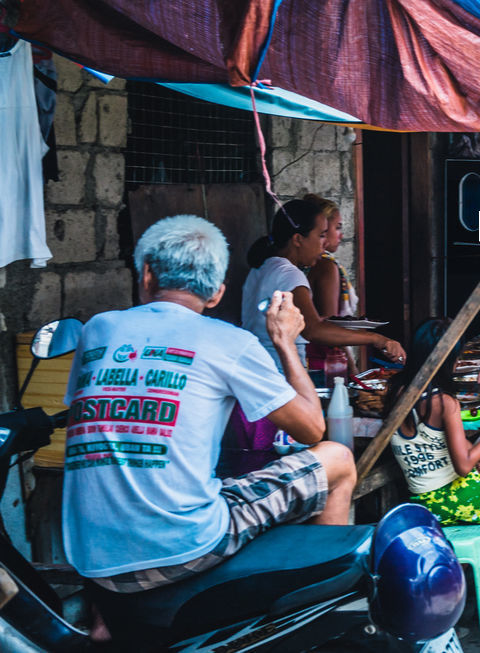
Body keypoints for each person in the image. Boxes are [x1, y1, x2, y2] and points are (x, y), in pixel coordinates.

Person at [62, 216, 355, 599]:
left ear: (148, 275)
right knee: (337, 458)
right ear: (217, 294)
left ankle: (103, 616)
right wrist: (285, 341)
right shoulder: (228, 341)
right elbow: (312, 428)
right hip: (185, 548)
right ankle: (320, 596)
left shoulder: (99, 329)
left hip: (89, 559)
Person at [385, 319, 480, 618]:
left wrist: (470, 449)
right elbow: (464, 468)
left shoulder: (394, 390)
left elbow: (429, 444)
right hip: (458, 497)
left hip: (422, 504)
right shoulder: (444, 402)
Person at [242, 198, 405, 372]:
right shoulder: (289, 274)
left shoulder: (261, 268)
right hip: (280, 373)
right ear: (298, 239)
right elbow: (313, 330)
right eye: (320, 235)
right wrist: (377, 339)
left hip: (256, 368)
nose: (324, 243)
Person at [302, 194, 358, 319]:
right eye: (337, 228)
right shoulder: (326, 266)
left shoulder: (300, 262)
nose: (341, 236)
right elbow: (330, 321)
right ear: (324, 228)